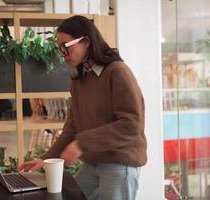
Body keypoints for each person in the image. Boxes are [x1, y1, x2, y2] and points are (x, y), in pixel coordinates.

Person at [18, 15, 147, 200]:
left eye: (65, 47)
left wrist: (81, 143)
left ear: (86, 41)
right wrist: (46, 159)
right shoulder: (79, 80)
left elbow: (131, 125)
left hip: (120, 161)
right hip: (93, 162)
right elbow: (72, 127)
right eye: (59, 48)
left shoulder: (117, 72)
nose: (62, 53)